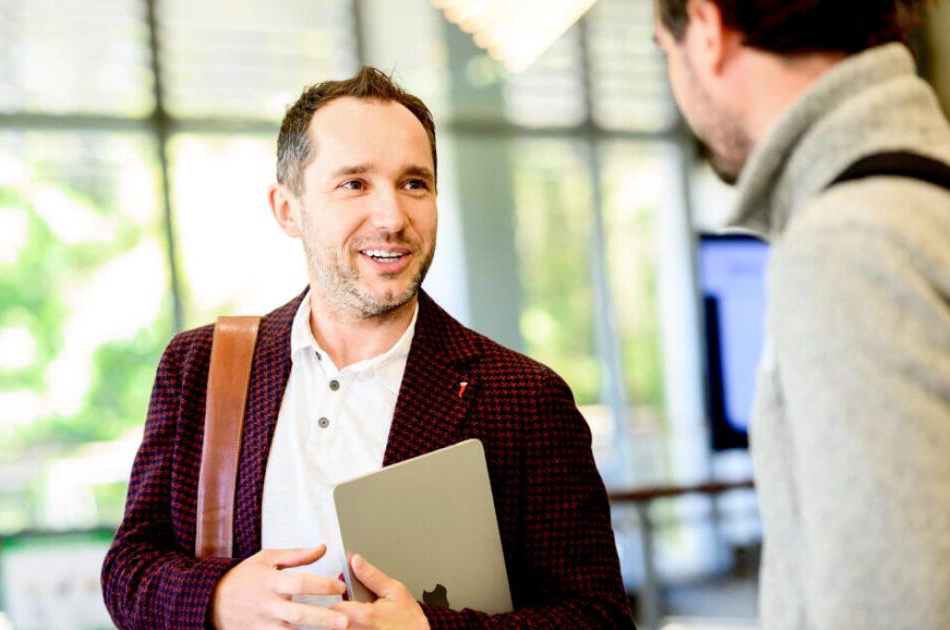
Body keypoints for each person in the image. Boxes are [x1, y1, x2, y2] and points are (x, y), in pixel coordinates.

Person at [101, 66, 633, 629]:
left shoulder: (524, 398)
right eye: (354, 183)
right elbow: (128, 569)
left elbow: (598, 619)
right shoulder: (202, 367)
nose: (392, 217)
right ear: (288, 210)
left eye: (414, 183)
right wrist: (218, 597)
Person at [653, 0, 950, 627]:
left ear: (705, 30)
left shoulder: (844, 246)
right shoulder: (922, 194)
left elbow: (889, 605)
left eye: (665, 54)